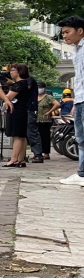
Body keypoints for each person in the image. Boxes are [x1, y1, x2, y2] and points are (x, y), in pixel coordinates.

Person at [58, 16, 84, 185]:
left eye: (67, 32)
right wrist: (76, 101)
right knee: (81, 138)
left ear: (80, 30)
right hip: (81, 99)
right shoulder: (76, 50)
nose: (64, 36)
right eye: (62, 33)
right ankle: (81, 173)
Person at [0, 63, 32, 167]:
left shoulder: (18, 84)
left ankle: (13, 159)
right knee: (21, 136)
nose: (10, 72)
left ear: (19, 72)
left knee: (17, 136)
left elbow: (7, 98)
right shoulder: (24, 83)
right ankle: (20, 159)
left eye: (13, 70)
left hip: (16, 111)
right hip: (22, 111)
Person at [36, 85, 59, 160]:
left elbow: (57, 104)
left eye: (40, 87)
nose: (39, 89)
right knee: (36, 137)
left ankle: (46, 153)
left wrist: (49, 112)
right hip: (35, 119)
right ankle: (37, 152)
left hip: (45, 119)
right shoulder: (34, 96)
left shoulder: (48, 97)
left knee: (45, 137)